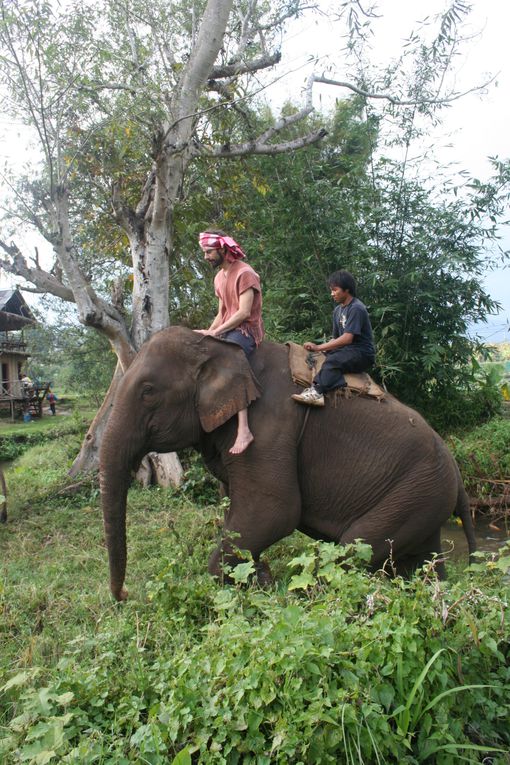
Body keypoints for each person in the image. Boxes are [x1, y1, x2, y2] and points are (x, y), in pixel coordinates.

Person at [196, 229, 264, 454]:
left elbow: (244, 313)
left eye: (209, 252)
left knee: (229, 359)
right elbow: (223, 312)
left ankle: (244, 429)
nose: (206, 257)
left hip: (244, 331)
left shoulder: (246, 273)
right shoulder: (218, 277)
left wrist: (217, 334)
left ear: (223, 249)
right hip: (227, 328)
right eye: (204, 252)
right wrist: (208, 331)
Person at [292, 270, 375, 407]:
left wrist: (319, 347)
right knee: (318, 356)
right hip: (347, 350)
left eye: (335, 290)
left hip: (361, 353)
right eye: (331, 290)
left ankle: (317, 392)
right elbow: (336, 339)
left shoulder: (356, 308)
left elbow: (347, 338)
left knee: (333, 361)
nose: (332, 294)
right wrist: (317, 348)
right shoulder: (337, 311)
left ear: (346, 289)